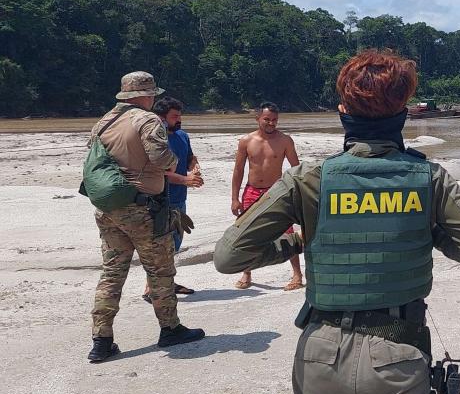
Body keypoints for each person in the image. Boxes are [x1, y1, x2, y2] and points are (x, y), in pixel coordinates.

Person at [213, 50, 460, 394]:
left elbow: (229, 257)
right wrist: (432, 233)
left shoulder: (309, 179)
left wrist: (297, 240)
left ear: (343, 112)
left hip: (322, 357)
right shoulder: (429, 178)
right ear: (403, 113)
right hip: (400, 356)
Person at [86, 72, 205, 363]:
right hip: (143, 210)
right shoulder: (147, 120)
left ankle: (101, 340)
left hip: (109, 208)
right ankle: (170, 329)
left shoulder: (104, 122)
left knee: (112, 274)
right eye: (152, 94)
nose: (153, 99)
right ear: (144, 95)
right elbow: (162, 160)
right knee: (160, 271)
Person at [230, 102, 304, 291]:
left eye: (274, 120)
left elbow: (296, 169)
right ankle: (246, 273)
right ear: (258, 119)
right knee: (246, 232)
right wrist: (234, 198)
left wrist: (299, 193)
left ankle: (297, 274)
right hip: (252, 190)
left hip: (276, 191)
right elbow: (238, 170)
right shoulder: (246, 141)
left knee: (287, 232)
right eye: (267, 120)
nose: (271, 123)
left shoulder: (285, 140)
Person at [140, 97, 203, 303]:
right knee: (159, 246)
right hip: (159, 200)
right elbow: (158, 171)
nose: (179, 120)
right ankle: (151, 289)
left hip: (179, 200)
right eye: (175, 116)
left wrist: (194, 167)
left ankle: (167, 283)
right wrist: (185, 179)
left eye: (180, 115)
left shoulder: (183, 136)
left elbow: (190, 158)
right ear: (162, 118)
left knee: (174, 244)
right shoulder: (155, 140)